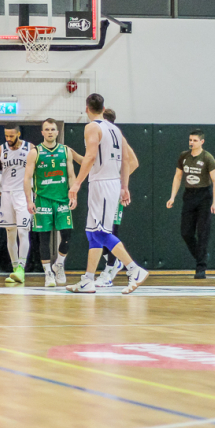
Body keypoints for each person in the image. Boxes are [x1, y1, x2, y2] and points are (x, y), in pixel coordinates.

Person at [67, 94, 148, 294]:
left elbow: (90, 156)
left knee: (100, 233)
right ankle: (88, 280)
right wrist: (124, 186)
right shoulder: (116, 129)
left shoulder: (92, 127)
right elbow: (127, 160)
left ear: (87, 108)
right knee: (92, 233)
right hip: (110, 183)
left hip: (102, 184)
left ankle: (133, 269)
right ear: (103, 109)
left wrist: (76, 184)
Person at [23, 118, 76, 288]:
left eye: (53, 129)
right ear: (42, 132)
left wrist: (73, 195)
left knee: (67, 235)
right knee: (43, 238)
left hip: (62, 199)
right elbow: (27, 178)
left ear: (57, 132)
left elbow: (71, 175)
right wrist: (29, 200)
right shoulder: (35, 152)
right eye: (47, 129)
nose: (50, 132)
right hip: (42, 199)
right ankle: (48, 273)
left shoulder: (66, 151)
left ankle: (59, 264)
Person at [0, 124, 34, 284]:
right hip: (6, 194)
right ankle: (15, 268)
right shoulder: (0, 150)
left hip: (23, 194)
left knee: (23, 231)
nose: (8, 139)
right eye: (6, 136)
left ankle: (21, 268)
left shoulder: (30, 148)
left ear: (18, 134)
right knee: (10, 233)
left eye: (11, 136)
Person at [166, 129, 215, 279]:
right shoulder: (184, 156)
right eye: (190, 140)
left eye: (195, 140)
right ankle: (201, 255)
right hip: (189, 195)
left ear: (202, 142)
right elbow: (178, 177)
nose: (191, 143)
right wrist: (172, 197)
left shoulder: (208, 158)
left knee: (203, 232)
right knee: (186, 232)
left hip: (204, 196)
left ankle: (200, 268)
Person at [96, 108, 138, 288]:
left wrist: (120, 182)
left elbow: (134, 162)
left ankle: (110, 269)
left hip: (112, 190)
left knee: (110, 231)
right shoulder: (99, 137)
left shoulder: (117, 137)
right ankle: (115, 261)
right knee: (97, 231)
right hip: (100, 189)